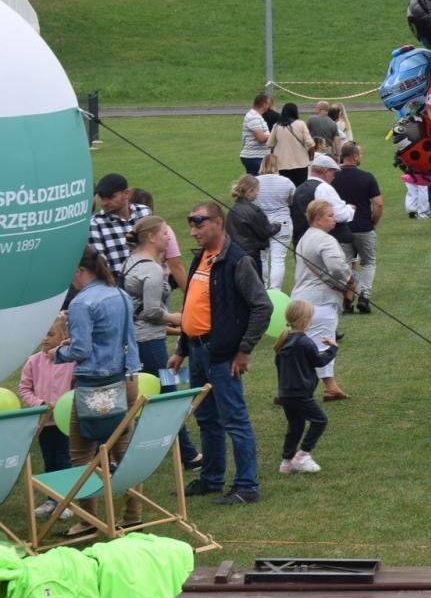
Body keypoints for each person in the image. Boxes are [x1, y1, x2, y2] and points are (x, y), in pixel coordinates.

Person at [171, 201, 272, 505]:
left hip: (223, 356)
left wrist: (244, 350)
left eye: (199, 224)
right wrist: (181, 350)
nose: (193, 232)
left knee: (235, 421)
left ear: (218, 223)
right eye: (191, 225)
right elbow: (194, 305)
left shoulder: (237, 261)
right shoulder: (201, 258)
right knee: (206, 419)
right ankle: (212, 478)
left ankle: (246, 486)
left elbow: (262, 306)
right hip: (198, 351)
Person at [55, 247, 141, 533]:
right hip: (128, 378)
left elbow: (81, 349)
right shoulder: (120, 294)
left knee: (81, 454)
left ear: (81, 271)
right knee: (125, 453)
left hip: (96, 384)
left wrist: (57, 353)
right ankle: (133, 515)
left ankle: (87, 520)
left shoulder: (82, 302)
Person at [122, 215, 201, 469]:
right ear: (151, 237)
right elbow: (152, 312)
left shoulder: (130, 262)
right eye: (165, 234)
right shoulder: (152, 269)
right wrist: (180, 318)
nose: (169, 237)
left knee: (150, 395)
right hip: (150, 343)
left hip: (135, 340)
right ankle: (188, 454)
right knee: (168, 395)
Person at [291, 200, 355, 402]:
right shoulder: (325, 240)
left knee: (299, 347)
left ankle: (292, 387)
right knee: (324, 344)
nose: (334, 219)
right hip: (320, 300)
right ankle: (329, 387)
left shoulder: (304, 238)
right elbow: (336, 266)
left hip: (299, 298)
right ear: (317, 219)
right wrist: (349, 281)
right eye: (330, 215)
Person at [274, 300, 337, 475]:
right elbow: (319, 361)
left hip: (285, 394)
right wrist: (333, 348)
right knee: (320, 421)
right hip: (301, 394)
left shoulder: (284, 343)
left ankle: (286, 462)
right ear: (305, 321)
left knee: (295, 426)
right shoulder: (305, 342)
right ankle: (302, 455)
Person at [21, 315, 74, 489]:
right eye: (42, 334)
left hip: (65, 422)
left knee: (64, 459)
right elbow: (24, 389)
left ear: (64, 336)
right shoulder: (33, 361)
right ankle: (52, 499)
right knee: (49, 460)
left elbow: (77, 389)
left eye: (50, 334)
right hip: (44, 422)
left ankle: (66, 500)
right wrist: (40, 404)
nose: (44, 338)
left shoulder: (72, 361)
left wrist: (66, 406)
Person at [332, 143, 382, 314]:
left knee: (345, 264)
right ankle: (364, 296)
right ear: (354, 156)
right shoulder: (367, 177)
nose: (361, 157)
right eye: (360, 154)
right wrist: (373, 222)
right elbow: (378, 203)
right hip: (363, 226)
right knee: (368, 262)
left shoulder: (333, 178)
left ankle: (347, 299)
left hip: (342, 228)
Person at [87, 173, 149, 276]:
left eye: (111, 197)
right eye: (102, 197)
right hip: (119, 286)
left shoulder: (144, 212)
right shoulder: (95, 223)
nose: (104, 203)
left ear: (126, 193)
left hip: (150, 278)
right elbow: (101, 265)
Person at [128, 187, 188, 287]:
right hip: (157, 285)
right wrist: (189, 296)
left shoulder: (121, 230)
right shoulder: (164, 230)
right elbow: (175, 265)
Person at [291, 154, 354, 247]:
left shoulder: (299, 189)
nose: (334, 177)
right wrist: (350, 209)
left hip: (302, 242)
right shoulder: (324, 188)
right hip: (325, 242)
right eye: (333, 172)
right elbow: (340, 215)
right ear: (326, 171)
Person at [255, 154, 295, 292]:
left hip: (261, 223)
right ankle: (275, 290)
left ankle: (263, 288)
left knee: (262, 257)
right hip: (282, 222)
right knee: (278, 259)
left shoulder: (255, 182)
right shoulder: (286, 181)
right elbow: (292, 201)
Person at [225, 175, 278, 278]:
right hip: (251, 255)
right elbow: (265, 232)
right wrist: (278, 226)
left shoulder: (232, 210)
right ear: (249, 191)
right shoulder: (254, 211)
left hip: (234, 253)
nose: (257, 194)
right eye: (256, 191)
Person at [268, 103, 316, 185]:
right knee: (299, 188)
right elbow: (310, 143)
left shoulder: (276, 126)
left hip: (282, 163)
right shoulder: (301, 124)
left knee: (285, 188)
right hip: (300, 163)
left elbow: (270, 144)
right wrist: (311, 155)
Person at [240, 92, 273, 175]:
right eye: (268, 103)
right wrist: (273, 136)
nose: (269, 106)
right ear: (264, 104)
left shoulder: (256, 116)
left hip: (258, 157)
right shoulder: (253, 117)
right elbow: (260, 138)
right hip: (254, 157)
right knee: (257, 184)